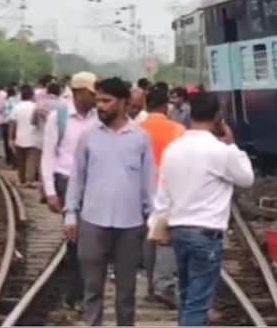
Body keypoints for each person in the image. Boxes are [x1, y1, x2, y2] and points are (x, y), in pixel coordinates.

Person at [152, 92, 254, 326]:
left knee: (187, 296)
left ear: (189, 114)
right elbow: (246, 178)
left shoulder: (173, 149)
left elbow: (163, 193)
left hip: (178, 231)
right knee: (197, 303)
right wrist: (232, 145)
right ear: (219, 117)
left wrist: (159, 225)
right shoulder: (219, 151)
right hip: (205, 234)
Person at [64, 77, 155, 326]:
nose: (100, 106)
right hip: (93, 222)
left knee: (126, 294)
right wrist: (70, 213)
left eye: (107, 100)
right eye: (98, 100)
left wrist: (154, 217)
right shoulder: (88, 136)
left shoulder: (140, 137)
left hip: (131, 225)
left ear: (123, 102)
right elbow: (77, 178)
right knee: (92, 291)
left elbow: (148, 183)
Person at [41, 71, 97, 311]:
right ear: (79, 93)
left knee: (92, 240)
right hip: (66, 182)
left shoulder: (99, 117)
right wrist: (50, 191)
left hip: (94, 185)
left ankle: (84, 292)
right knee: (75, 239)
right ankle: (76, 294)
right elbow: (48, 154)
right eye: (93, 94)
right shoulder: (59, 117)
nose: (97, 98)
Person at [138, 87, 185, 308]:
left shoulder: (136, 129)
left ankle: (150, 285)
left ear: (147, 106)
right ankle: (165, 285)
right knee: (165, 239)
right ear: (165, 106)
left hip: (141, 191)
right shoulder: (177, 129)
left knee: (148, 238)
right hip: (167, 191)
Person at [8, 85, 40, 188]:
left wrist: (10, 138)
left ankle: (21, 180)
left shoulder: (16, 107)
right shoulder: (36, 107)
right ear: (31, 96)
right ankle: (29, 180)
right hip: (33, 138)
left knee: (20, 161)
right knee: (31, 161)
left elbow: (12, 123)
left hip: (19, 138)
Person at [0, 85, 18, 167]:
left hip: (6, 124)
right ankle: (15, 160)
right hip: (15, 124)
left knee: (7, 142)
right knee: (15, 142)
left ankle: (8, 160)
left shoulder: (5, 101)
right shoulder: (17, 101)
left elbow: (0, 110)